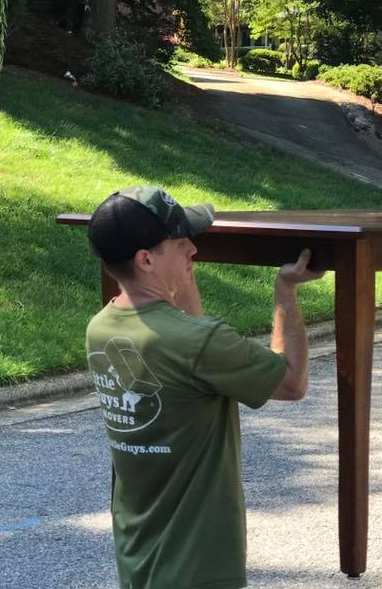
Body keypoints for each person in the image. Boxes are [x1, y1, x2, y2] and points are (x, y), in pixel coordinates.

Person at [83, 185, 324, 589]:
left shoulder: (101, 328)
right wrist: (285, 292)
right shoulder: (198, 343)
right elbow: (291, 381)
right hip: (200, 567)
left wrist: (179, 278)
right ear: (145, 259)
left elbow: (188, 335)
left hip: (139, 557)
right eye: (180, 244)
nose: (193, 250)